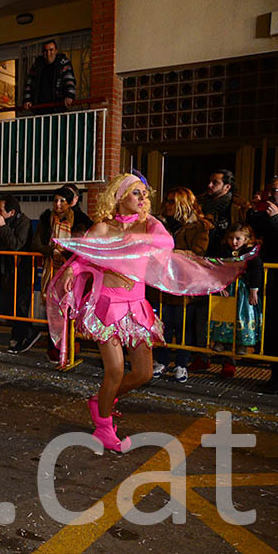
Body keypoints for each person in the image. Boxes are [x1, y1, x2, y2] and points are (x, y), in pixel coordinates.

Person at [47, 173, 249, 452]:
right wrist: (71, 268)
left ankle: (100, 401)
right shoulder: (103, 228)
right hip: (108, 305)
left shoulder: (150, 226)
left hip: (137, 307)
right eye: (136, 194)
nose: (143, 199)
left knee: (142, 373)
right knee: (115, 370)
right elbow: (84, 257)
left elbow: (165, 245)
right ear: (120, 197)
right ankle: (103, 428)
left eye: (145, 194)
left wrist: (146, 225)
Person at [151, 187, 212, 384]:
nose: (167, 205)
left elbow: (197, 252)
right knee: (163, 325)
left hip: (184, 284)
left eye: (172, 201)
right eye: (167, 201)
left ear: (182, 204)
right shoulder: (160, 223)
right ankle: (161, 360)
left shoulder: (198, 226)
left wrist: (172, 253)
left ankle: (181, 364)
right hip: (163, 284)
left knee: (183, 327)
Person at [32, 185, 90, 361]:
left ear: (70, 203)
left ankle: (69, 348)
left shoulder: (81, 220)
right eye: (55, 200)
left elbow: (82, 245)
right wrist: (52, 251)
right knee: (52, 308)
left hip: (72, 272)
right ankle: (54, 347)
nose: (58, 204)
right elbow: (36, 244)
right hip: (52, 270)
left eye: (62, 200)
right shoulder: (46, 219)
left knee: (69, 309)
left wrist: (64, 253)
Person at [0, 196, 38, 353]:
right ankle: (26, 333)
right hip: (6, 269)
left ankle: (20, 338)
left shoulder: (24, 222)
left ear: (12, 211)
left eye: (1, 210)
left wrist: (3, 228)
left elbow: (16, 245)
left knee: (20, 306)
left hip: (22, 270)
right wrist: (3, 244)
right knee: (8, 306)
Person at [209, 223, 262, 378]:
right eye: (231, 238)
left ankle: (242, 343)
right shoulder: (223, 252)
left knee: (242, 316)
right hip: (228, 289)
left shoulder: (251, 253)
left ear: (246, 239)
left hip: (243, 291)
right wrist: (219, 287)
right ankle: (221, 340)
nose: (234, 242)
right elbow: (217, 270)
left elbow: (256, 271)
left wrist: (254, 290)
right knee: (224, 316)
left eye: (238, 238)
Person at [246, 174, 278, 393]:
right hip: (271, 279)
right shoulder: (268, 211)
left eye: (276, 190)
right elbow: (254, 230)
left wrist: (276, 219)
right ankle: (274, 379)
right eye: (271, 189)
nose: (273, 193)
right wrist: (253, 210)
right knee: (273, 329)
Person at [199, 169, 247, 257]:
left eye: (215, 183)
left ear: (227, 187)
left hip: (227, 256)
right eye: (210, 182)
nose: (209, 185)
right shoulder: (199, 203)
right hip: (202, 253)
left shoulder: (238, 207)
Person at [23, 39, 76, 114]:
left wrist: (69, 96)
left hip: (58, 108)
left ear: (56, 51)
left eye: (51, 50)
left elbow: (69, 80)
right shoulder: (37, 65)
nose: (48, 53)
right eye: (45, 51)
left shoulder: (63, 62)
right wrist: (27, 99)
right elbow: (29, 83)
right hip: (40, 108)